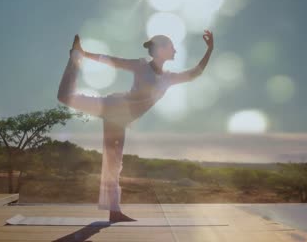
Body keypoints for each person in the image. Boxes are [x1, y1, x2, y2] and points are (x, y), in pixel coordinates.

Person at [57, 30, 214, 222]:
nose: (175, 49)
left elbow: (194, 73)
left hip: (120, 119)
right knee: (65, 97)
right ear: (161, 50)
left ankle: (114, 212)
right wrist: (84, 53)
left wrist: (210, 50)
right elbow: (113, 61)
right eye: (171, 46)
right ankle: (75, 57)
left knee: (114, 163)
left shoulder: (168, 78)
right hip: (113, 107)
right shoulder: (141, 66)